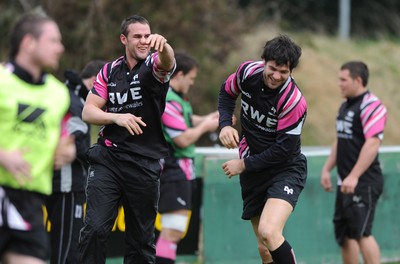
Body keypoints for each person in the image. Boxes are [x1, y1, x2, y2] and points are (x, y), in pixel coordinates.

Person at [78, 15, 175, 264]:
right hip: (108, 159)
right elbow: (88, 111)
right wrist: (116, 117)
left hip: (144, 163)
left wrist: (164, 46)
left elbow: (168, 62)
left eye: (147, 36)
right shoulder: (109, 71)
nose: (144, 41)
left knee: (141, 241)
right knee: (95, 229)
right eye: (137, 36)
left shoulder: (154, 64)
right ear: (124, 39)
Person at [218, 35, 307, 264]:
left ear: (291, 72)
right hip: (254, 170)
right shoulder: (247, 73)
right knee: (264, 248)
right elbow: (227, 93)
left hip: (284, 168)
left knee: (269, 232)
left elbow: (283, 151)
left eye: (284, 72)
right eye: (273, 68)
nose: (276, 76)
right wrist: (225, 124)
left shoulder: (293, 101)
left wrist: (243, 164)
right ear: (263, 61)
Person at [0, 13, 74, 264]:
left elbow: (63, 138)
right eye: (53, 40)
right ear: (29, 43)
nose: (60, 48)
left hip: (29, 202)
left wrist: (65, 151)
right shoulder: (1, 81)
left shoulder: (59, 94)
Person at [320, 61, 387, 264]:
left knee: (361, 232)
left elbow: (373, 143)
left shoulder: (372, 105)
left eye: (343, 79)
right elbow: (340, 139)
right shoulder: (345, 105)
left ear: (358, 80)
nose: (339, 84)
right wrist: (327, 168)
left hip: (363, 181)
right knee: (346, 235)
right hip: (345, 182)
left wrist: (354, 176)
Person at [155, 53, 219, 264]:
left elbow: (188, 119)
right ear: (179, 75)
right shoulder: (168, 99)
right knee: (172, 232)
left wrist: (212, 118)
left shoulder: (177, 99)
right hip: (173, 171)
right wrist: (205, 127)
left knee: (174, 231)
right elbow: (182, 139)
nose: (191, 83)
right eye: (191, 79)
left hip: (179, 172)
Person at [45, 60, 105, 264]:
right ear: (94, 82)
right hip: (65, 187)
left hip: (59, 182)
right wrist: (100, 159)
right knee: (65, 246)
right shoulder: (73, 101)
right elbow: (76, 144)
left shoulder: (68, 95)